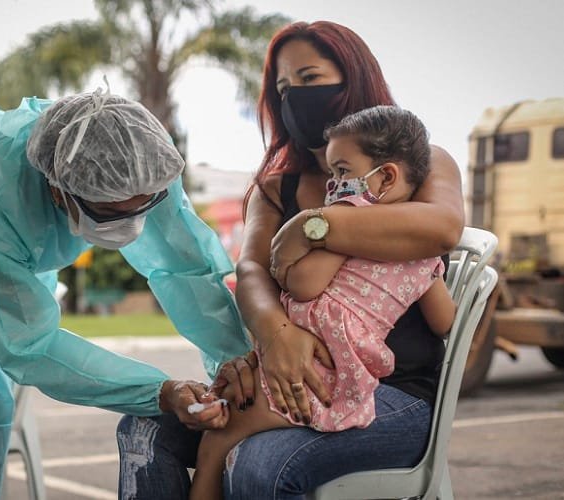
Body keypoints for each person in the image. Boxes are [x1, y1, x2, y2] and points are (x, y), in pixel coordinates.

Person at [116, 20, 464, 499]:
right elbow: (253, 269)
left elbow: (443, 227)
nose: (294, 97)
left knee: (258, 464)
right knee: (145, 430)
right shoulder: (276, 186)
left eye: (309, 78)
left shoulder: (416, 164)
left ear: (353, 77)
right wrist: (277, 338)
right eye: (283, 89)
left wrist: (313, 225)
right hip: (288, 366)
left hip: (394, 393)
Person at [0, 88, 251, 499]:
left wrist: (238, 359)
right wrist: (159, 391)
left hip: (13, 261)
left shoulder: (145, 161)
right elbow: (30, 345)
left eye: (145, 206)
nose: (134, 226)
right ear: (57, 189)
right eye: (111, 212)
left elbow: (184, 265)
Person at [187, 105, 457, 500]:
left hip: (324, 368)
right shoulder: (424, 254)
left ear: (385, 177)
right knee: (225, 426)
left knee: (216, 442)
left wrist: (311, 239)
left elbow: (306, 285)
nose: (333, 183)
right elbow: (444, 320)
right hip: (342, 365)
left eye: (343, 171)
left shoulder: (346, 218)